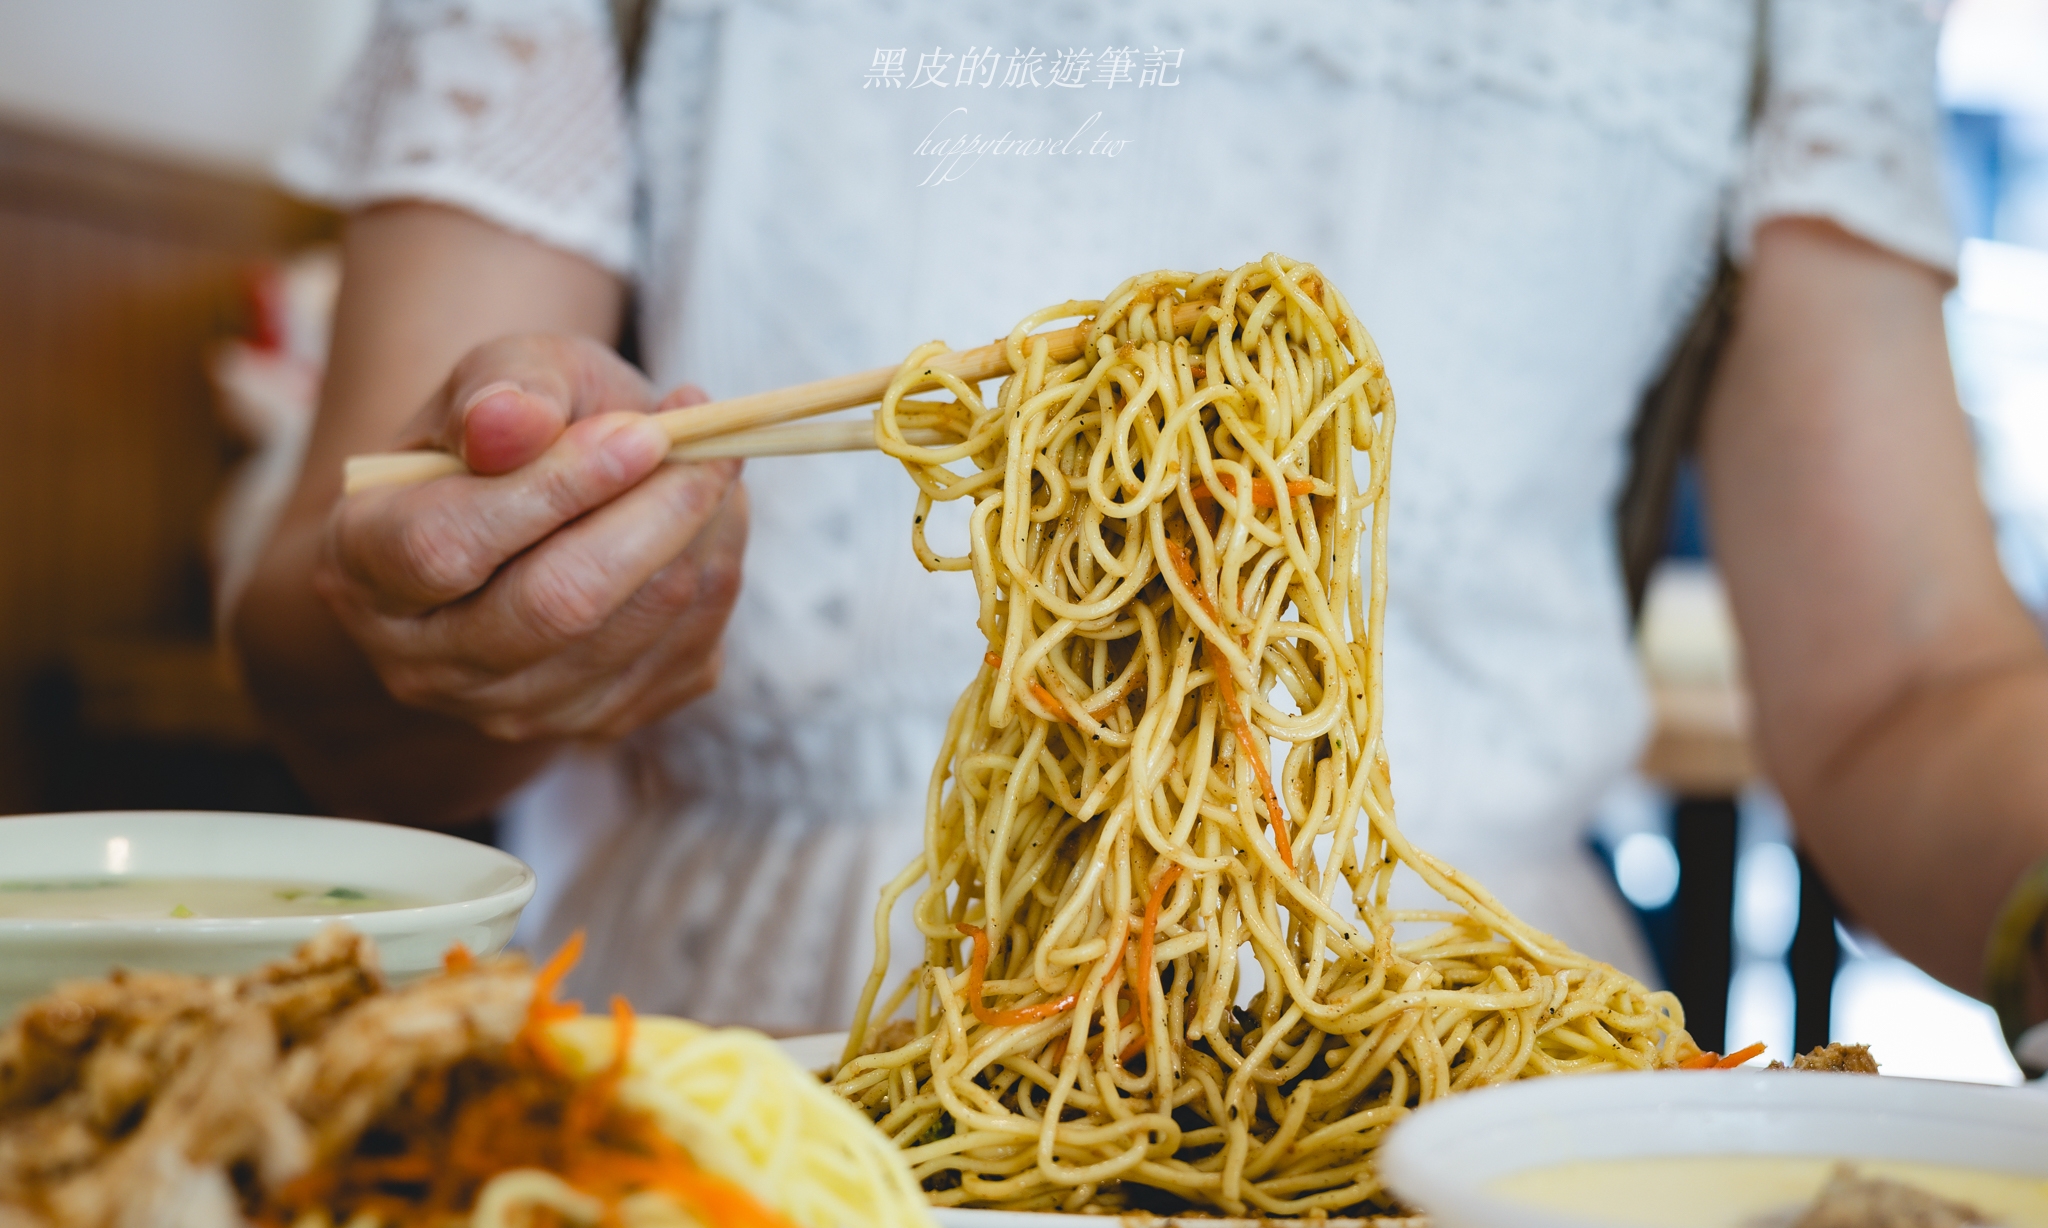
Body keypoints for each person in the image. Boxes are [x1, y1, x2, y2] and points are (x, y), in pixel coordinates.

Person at [236, 0, 2048, 1039]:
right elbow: (326, 650)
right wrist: (494, 599)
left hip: (1481, 1100)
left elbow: (1907, 688)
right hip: (775, 1057)